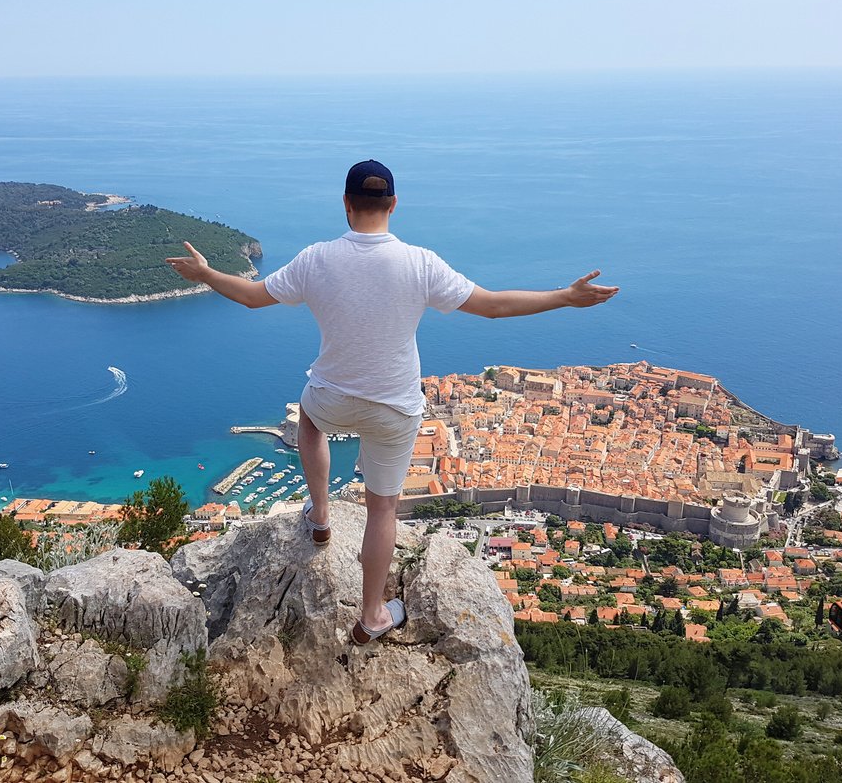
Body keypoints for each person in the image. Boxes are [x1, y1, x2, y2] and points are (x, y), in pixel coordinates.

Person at [166, 160, 618, 644]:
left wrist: (207, 274)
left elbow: (253, 297)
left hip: (332, 395)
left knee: (310, 424)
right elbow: (492, 306)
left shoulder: (316, 258)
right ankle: (372, 615)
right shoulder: (420, 263)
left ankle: (319, 516)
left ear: (345, 203)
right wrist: (565, 297)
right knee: (383, 510)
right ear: (394, 205)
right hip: (395, 408)